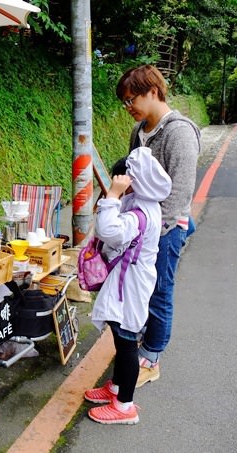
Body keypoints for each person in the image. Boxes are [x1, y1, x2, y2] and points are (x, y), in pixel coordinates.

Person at [116, 65, 200, 387]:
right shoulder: (139, 131)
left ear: (153, 91)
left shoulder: (179, 132)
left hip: (166, 228)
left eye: (131, 98)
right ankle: (144, 341)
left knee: (160, 291)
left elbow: (180, 192)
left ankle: (151, 357)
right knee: (142, 287)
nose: (128, 107)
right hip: (142, 226)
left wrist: (153, 230)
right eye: (124, 102)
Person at [85, 147, 172, 425]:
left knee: (126, 343)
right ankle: (116, 388)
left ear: (131, 179)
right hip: (129, 280)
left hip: (130, 285)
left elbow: (109, 230)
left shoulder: (139, 215)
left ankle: (125, 406)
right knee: (120, 334)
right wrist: (117, 195)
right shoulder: (145, 203)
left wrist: (112, 195)